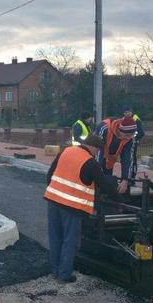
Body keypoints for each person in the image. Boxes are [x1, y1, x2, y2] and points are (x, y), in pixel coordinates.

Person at [44, 134, 121, 283]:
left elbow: (50, 174)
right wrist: (121, 202)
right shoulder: (90, 162)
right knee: (70, 241)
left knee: (55, 237)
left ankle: (55, 270)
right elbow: (106, 186)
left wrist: (55, 192)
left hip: (52, 201)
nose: (97, 154)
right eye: (98, 151)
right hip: (71, 208)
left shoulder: (65, 151)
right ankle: (64, 275)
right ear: (93, 147)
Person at [94, 116, 138, 194]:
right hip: (95, 158)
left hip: (109, 161)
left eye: (131, 135)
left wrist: (125, 180)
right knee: (97, 183)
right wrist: (98, 172)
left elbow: (127, 159)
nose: (128, 138)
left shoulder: (130, 139)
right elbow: (97, 152)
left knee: (107, 183)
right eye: (127, 135)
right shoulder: (104, 128)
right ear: (120, 130)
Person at [122, 106, 145, 181]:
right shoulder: (123, 119)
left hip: (133, 143)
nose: (127, 114)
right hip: (124, 143)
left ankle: (132, 177)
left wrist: (134, 139)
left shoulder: (136, 119)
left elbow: (141, 133)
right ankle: (125, 176)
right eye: (125, 112)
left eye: (128, 112)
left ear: (131, 112)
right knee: (124, 160)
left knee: (132, 160)